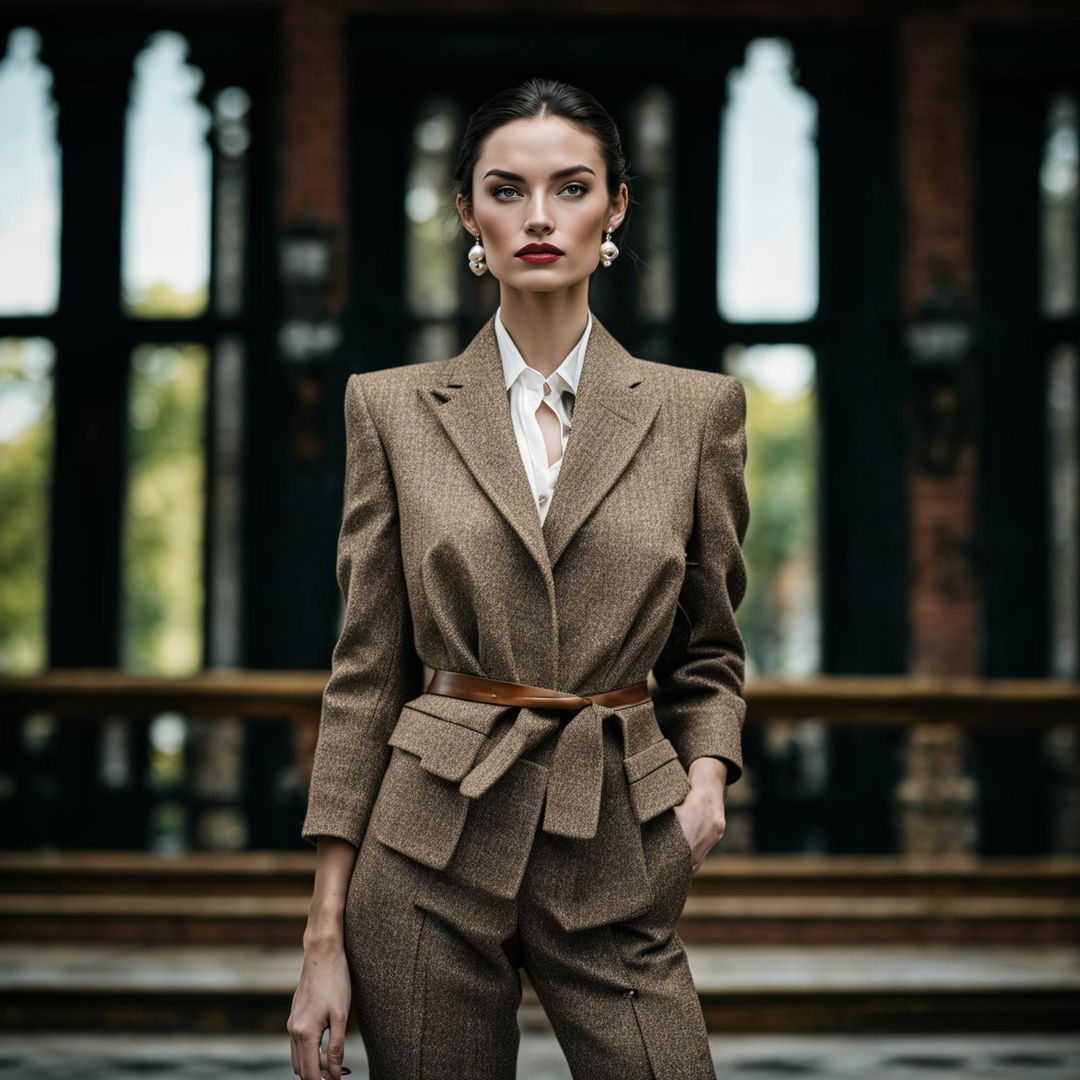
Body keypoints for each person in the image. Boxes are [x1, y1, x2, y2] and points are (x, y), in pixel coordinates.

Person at [288, 76, 750, 1080]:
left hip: (617, 839)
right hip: (424, 848)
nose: (538, 218)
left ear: (616, 207)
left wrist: (708, 777)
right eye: (506, 190)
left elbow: (711, 646)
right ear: (467, 213)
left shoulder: (696, 412)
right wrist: (324, 937)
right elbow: (365, 673)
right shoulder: (392, 409)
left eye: (571, 187)